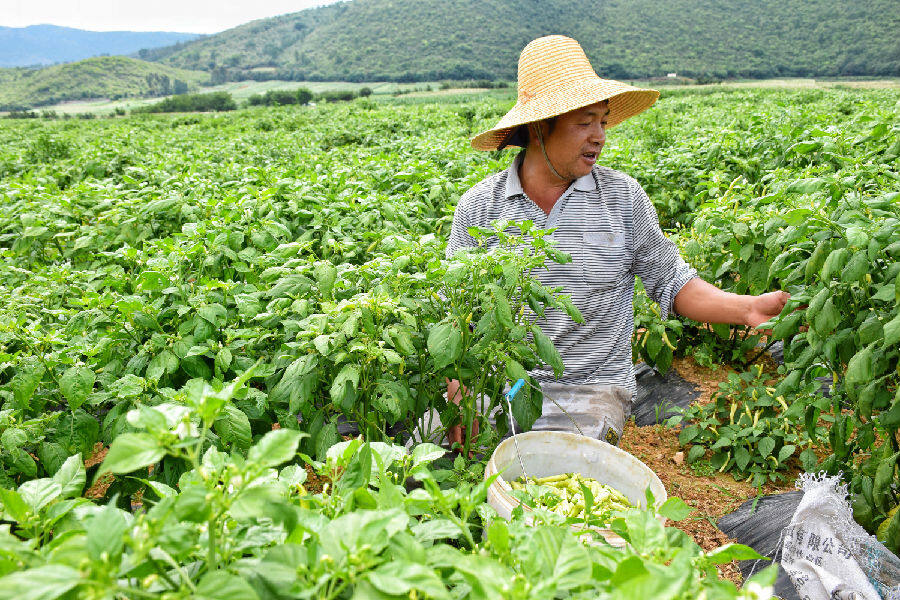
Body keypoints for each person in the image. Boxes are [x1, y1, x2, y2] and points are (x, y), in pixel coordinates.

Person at [445, 35, 789, 447]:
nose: (600, 136)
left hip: (589, 391)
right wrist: (459, 390)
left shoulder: (622, 198)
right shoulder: (481, 207)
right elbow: (457, 312)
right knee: (423, 466)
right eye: (584, 121)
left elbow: (671, 281)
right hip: (498, 386)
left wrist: (749, 308)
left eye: (603, 121)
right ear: (538, 127)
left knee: (556, 482)